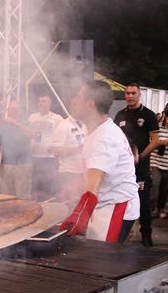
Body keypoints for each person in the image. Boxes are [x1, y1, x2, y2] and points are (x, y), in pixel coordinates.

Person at [59, 81, 140, 243]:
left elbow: (93, 187)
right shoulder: (96, 128)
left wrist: (78, 217)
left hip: (115, 207)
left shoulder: (104, 138)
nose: (74, 100)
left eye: (79, 97)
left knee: (100, 255)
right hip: (105, 203)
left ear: (90, 104)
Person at [114, 84, 160, 246]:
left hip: (141, 168)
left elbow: (155, 141)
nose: (130, 96)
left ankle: (146, 234)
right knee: (121, 200)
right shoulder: (120, 115)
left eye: (133, 93)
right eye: (127, 93)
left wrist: (140, 156)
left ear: (140, 94)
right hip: (122, 169)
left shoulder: (148, 115)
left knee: (143, 202)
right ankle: (121, 234)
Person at [0, 100, 38, 199]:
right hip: (6, 165)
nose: (11, 111)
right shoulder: (4, 125)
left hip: (22, 165)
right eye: (10, 109)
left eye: (14, 109)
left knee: (23, 197)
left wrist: (16, 124)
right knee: (7, 196)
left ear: (20, 111)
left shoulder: (26, 123)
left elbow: (34, 135)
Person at [45, 115, 86, 206]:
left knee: (80, 202)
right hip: (69, 172)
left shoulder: (85, 124)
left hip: (83, 172)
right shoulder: (63, 126)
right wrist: (77, 149)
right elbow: (55, 151)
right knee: (71, 203)